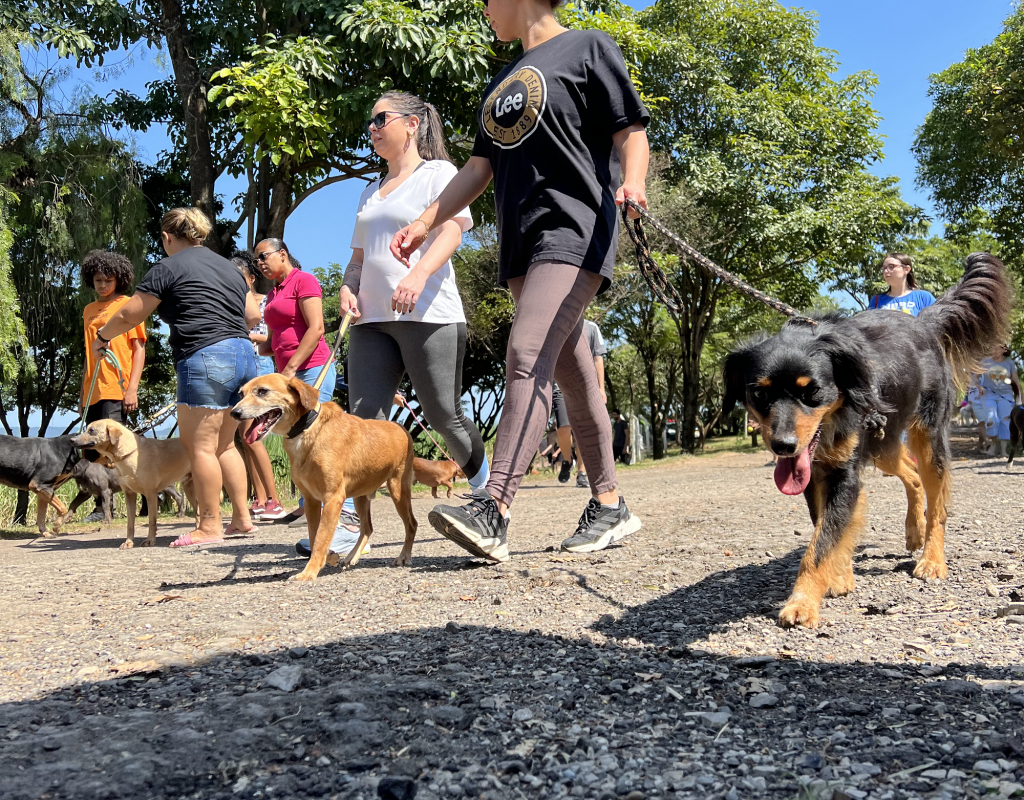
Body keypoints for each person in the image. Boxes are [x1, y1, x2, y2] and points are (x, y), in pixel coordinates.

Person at [391, 0, 650, 559]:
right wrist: (424, 220)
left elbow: (629, 131)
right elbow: (478, 169)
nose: (482, 10)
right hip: (521, 240)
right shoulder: (499, 81)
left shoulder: (588, 47)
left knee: (527, 353)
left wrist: (633, 183)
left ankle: (495, 506)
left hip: (574, 225)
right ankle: (610, 504)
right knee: (573, 375)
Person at [293, 90, 491, 559]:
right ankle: (343, 524)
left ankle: (489, 497)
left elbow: (453, 231)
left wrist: (419, 275)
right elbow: (358, 258)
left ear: (412, 124)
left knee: (443, 412)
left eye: (381, 118)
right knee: (361, 423)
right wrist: (346, 286)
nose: (372, 128)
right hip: (370, 322)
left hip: (428, 313)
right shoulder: (368, 190)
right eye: (370, 121)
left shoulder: (439, 175)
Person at [94, 207, 260, 546]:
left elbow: (130, 312)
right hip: (244, 355)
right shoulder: (229, 267)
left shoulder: (167, 266)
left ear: (168, 237)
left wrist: (102, 337)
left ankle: (210, 527)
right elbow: (253, 314)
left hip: (204, 355)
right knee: (226, 443)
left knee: (199, 447)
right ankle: (242, 518)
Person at [79, 250, 147, 522]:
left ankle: (142, 496)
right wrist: (82, 393)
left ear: (119, 280)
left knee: (117, 448)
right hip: (93, 388)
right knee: (93, 450)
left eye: (108, 280)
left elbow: (139, 348)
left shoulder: (129, 305)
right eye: (98, 280)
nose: (103, 285)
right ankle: (102, 506)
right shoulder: (88, 310)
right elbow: (87, 352)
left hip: (116, 387)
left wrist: (132, 389)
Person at [231, 251, 286, 521]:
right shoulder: (231, 304)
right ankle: (261, 498)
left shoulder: (264, 302)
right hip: (240, 368)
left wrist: (243, 332)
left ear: (251, 278)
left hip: (260, 369)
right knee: (246, 438)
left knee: (256, 436)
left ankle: (274, 500)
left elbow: (269, 335)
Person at [554, 318, 607, 488]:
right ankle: (568, 461)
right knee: (563, 428)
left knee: (582, 429)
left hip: (586, 386)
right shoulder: (555, 326)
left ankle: (582, 472)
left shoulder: (591, 328)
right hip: (560, 385)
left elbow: (598, 358)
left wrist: (601, 389)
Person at [971, 345, 1021, 457]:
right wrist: (979, 387)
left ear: (1004, 350)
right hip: (988, 395)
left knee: (1005, 421)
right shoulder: (985, 362)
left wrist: (1021, 397)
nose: (994, 350)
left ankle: (1003, 451)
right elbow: (975, 377)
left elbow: (1016, 380)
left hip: (1006, 395)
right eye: (993, 347)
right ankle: (993, 445)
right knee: (991, 419)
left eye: (997, 348)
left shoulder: (1010, 363)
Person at [869, 253, 936, 316]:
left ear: (906, 270)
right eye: (884, 268)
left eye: (891, 267)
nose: (886, 271)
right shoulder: (876, 300)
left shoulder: (924, 298)